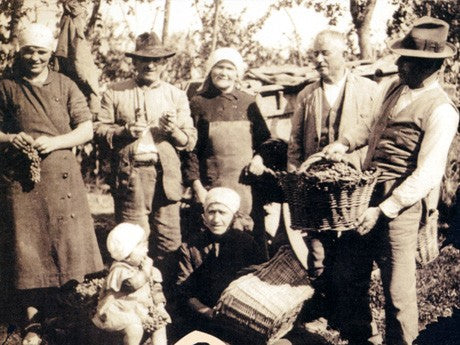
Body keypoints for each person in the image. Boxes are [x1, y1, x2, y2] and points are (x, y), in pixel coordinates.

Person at [323, 16, 459, 345]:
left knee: (397, 294)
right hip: (365, 195)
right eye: (402, 56)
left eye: (410, 60)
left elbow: (427, 174)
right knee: (348, 277)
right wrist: (342, 144)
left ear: (433, 67)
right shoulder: (392, 88)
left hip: (401, 207)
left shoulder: (442, 111)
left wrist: (384, 210)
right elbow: (369, 125)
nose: (400, 64)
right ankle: (362, 338)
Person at [0, 23, 103, 344]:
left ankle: (62, 317)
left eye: (41, 51)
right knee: (28, 250)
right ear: (19, 51)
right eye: (28, 50)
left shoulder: (65, 85)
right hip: (21, 180)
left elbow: (86, 129)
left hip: (62, 179)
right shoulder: (6, 86)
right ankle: (31, 321)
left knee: (64, 247)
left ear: (49, 54)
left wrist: (57, 142)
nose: (34, 57)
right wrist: (8, 137)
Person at [286, 29, 380, 344]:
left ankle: (358, 324)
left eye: (325, 53)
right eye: (316, 53)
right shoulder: (307, 95)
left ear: (344, 55)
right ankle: (322, 315)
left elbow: (376, 140)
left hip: (352, 195)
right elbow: (296, 144)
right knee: (318, 255)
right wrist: (296, 180)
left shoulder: (369, 90)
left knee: (354, 259)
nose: (319, 59)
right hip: (316, 194)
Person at [94, 32, 197, 286]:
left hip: (166, 176)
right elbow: (98, 130)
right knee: (133, 241)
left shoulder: (176, 95)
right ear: (134, 62)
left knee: (169, 240)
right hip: (131, 176)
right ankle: (135, 301)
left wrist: (173, 130)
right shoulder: (115, 92)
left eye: (157, 60)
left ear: (164, 63)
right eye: (143, 60)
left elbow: (190, 140)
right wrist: (125, 131)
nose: (150, 65)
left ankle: (169, 304)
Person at [183, 47, 271, 232]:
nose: (224, 73)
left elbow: (265, 142)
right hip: (212, 188)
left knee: (248, 239)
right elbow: (190, 151)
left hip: (245, 189)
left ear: (237, 73)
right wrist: (198, 188)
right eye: (219, 67)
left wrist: (259, 158)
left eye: (230, 68)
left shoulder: (249, 102)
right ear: (210, 71)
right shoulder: (198, 103)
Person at [175, 187, 264, 338]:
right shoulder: (189, 248)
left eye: (222, 213)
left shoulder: (246, 243)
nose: (216, 220)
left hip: (242, 317)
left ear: (233, 216)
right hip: (203, 317)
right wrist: (208, 312)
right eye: (211, 212)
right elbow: (185, 291)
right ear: (204, 216)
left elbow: (260, 280)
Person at [93, 223, 170, 345]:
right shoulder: (119, 270)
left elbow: (156, 288)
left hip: (142, 310)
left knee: (160, 325)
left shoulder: (146, 268)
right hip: (121, 310)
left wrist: (160, 306)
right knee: (134, 329)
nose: (147, 250)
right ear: (126, 253)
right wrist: (146, 270)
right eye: (142, 247)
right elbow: (132, 284)